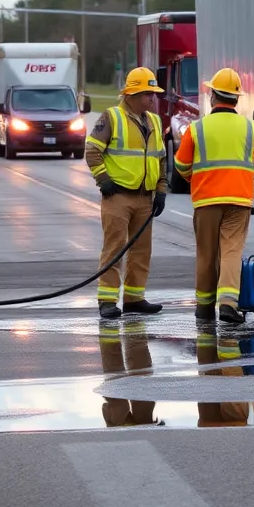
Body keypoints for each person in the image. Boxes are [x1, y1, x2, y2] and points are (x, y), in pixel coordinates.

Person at [174, 67, 254, 325]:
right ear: (237, 98)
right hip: (239, 199)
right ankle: (227, 304)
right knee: (232, 251)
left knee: (206, 253)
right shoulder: (251, 128)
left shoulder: (196, 128)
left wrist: (199, 178)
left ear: (213, 95)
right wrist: (242, 175)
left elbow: (181, 166)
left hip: (206, 201)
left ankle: (204, 308)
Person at [84, 67, 168, 320]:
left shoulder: (154, 120)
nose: (151, 99)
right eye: (146, 94)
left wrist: (161, 190)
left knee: (142, 250)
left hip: (145, 197)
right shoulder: (111, 117)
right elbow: (92, 151)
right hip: (117, 195)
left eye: (153, 94)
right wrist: (103, 180)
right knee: (115, 248)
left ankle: (134, 298)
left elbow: (161, 159)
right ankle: (107, 301)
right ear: (130, 94)